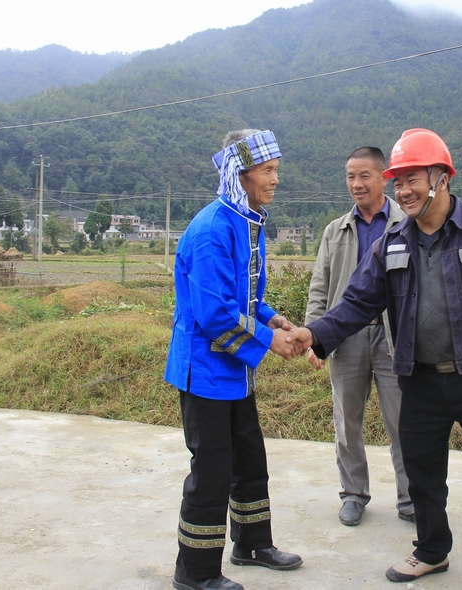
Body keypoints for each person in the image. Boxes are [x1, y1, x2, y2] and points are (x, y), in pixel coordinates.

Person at [291, 128, 462, 589]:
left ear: (440, 178)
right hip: (419, 379)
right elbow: (355, 303)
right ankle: (431, 551)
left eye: (412, 179)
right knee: (424, 474)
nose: (402, 190)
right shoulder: (393, 242)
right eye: (398, 180)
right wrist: (313, 333)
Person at [164, 128, 303, 590]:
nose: (275, 179)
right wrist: (269, 341)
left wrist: (275, 319)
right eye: (268, 171)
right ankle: (196, 572)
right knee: (212, 471)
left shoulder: (246, 222)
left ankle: (252, 544)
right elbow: (214, 314)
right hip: (205, 371)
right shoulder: (211, 230)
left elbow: (244, 299)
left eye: (276, 170)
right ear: (239, 176)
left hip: (235, 372)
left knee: (249, 458)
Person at [304, 147, 412, 527]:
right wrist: (314, 338)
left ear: (383, 177)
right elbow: (319, 287)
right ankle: (353, 493)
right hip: (345, 337)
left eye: (364, 175)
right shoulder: (336, 231)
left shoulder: (405, 224)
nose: (356, 184)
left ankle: (411, 497)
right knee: (346, 422)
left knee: (402, 421)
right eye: (350, 176)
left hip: (394, 338)